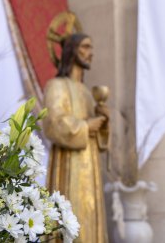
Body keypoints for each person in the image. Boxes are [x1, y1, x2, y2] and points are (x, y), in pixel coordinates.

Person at [43, 33, 109, 242]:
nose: (91, 53)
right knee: (72, 210)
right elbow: (52, 122)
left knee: (90, 215)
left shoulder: (88, 93)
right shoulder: (56, 86)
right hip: (69, 163)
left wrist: (103, 123)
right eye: (85, 47)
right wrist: (84, 126)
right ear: (72, 50)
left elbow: (100, 138)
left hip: (90, 165)